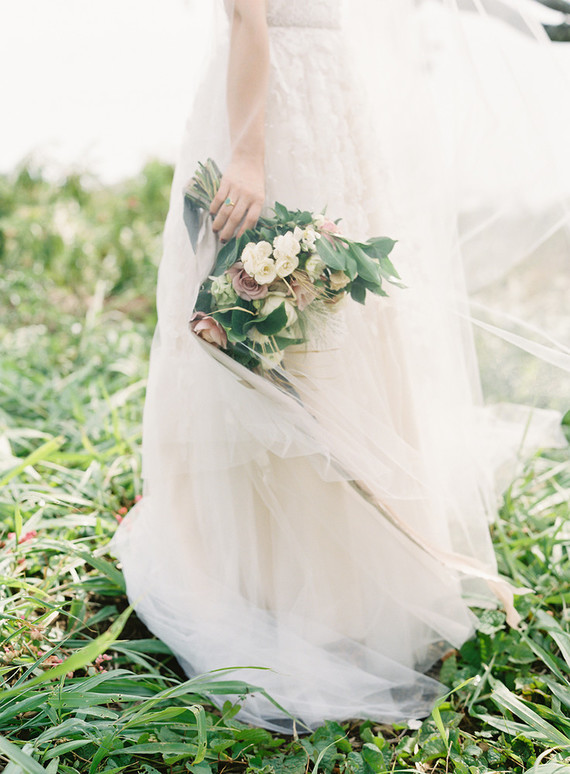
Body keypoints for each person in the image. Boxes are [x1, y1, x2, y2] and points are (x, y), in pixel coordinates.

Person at [110, 0, 570, 732]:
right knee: (318, 333)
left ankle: (267, 586)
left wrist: (250, 152)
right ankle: (342, 589)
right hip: (329, 91)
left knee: (292, 329)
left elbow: (244, 15)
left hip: (272, 103)